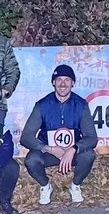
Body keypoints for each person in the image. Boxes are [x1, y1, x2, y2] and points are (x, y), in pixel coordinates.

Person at [20, 65, 98, 205]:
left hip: (72, 152)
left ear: (73, 83)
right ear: (53, 82)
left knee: (89, 155)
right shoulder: (42, 105)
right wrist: (48, 148)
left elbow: (92, 137)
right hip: (50, 152)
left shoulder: (81, 105)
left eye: (67, 80)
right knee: (31, 160)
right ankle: (45, 186)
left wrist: (73, 148)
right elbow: (26, 136)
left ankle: (75, 185)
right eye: (59, 80)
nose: (63, 84)